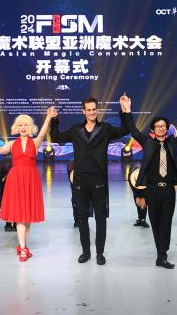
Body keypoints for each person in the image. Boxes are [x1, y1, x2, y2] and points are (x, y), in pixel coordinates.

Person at [50, 97, 132, 265]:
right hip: (80, 179)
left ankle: (100, 253)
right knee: (82, 218)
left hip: (98, 178)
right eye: (89, 109)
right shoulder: (76, 130)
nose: (92, 112)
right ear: (84, 111)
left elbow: (125, 129)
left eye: (94, 109)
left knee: (100, 218)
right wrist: (54, 119)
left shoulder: (105, 129)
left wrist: (125, 109)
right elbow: (56, 137)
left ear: (97, 110)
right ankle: (86, 252)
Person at [123, 96, 177, 269]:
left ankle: (162, 255)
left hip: (168, 191)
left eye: (163, 126)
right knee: (155, 222)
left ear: (166, 128)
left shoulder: (172, 142)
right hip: (152, 190)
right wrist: (127, 109)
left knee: (166, 223)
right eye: (158, 126)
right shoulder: (147, 142)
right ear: (153, 129)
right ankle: (160, 253)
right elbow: (133, 130)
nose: (161, 128)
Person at [0, 109, 54, 261]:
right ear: (16, 127)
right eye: (20, 125)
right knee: (21, 216)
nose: (23, 127)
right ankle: (22, 249)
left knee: (27, 218)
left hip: (31, 179)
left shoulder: (35, 142)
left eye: (26, 125)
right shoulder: (12, 143)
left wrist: (48, 117)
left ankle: (23, 246)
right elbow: (0, 150)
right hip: (16, 179)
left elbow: (42, 133)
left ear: (30, 127)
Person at [0, 155, 15, 232]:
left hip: (17, 176)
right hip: (2, 177)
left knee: (17, 199)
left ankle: (16, 222)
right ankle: (8, 223)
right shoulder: (0, 171)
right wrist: (1, 205)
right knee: (4, 200)